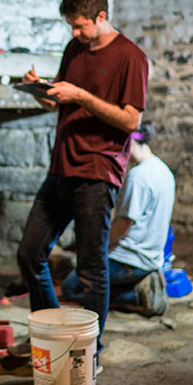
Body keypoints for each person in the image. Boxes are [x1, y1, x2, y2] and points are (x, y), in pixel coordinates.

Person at [16, 0, 148, 362]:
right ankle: (53, 333)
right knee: (29, 254)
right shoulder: (75, 47)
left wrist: (83, 96)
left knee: (91, 268)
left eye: (80, 26)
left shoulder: (131, 57)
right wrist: (40, 90)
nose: (74, 34)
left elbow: (130, 120)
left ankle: (89, 351)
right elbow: (56, 104)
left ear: (102, 16)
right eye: (71, 27)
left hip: (96, 171)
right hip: (60, 167)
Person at [60, 121, 175, 317]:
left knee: (72, 287)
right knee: (84, 271)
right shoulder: (163, 170)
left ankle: (137, 294)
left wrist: (97, 250)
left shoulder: (138, 177)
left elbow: (123, 225)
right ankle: (141, 281)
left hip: (130, 260)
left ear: (129, 142)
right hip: (152, 256)